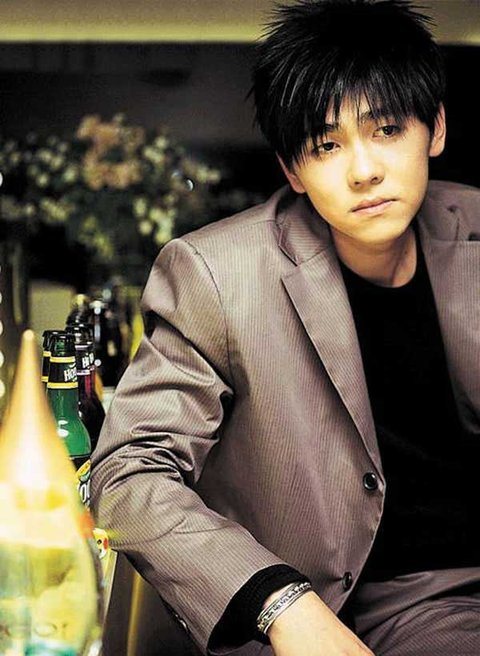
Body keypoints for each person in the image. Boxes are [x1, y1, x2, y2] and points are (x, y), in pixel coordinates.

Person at [91, 1, 480, 654]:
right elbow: (128, 471)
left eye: (387, 129)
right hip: (320, 604)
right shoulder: (217, 274)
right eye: (327, 145)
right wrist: (278, 601)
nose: (363, 171)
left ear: (434, 128)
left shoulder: (472, 230)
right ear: (292, 169)